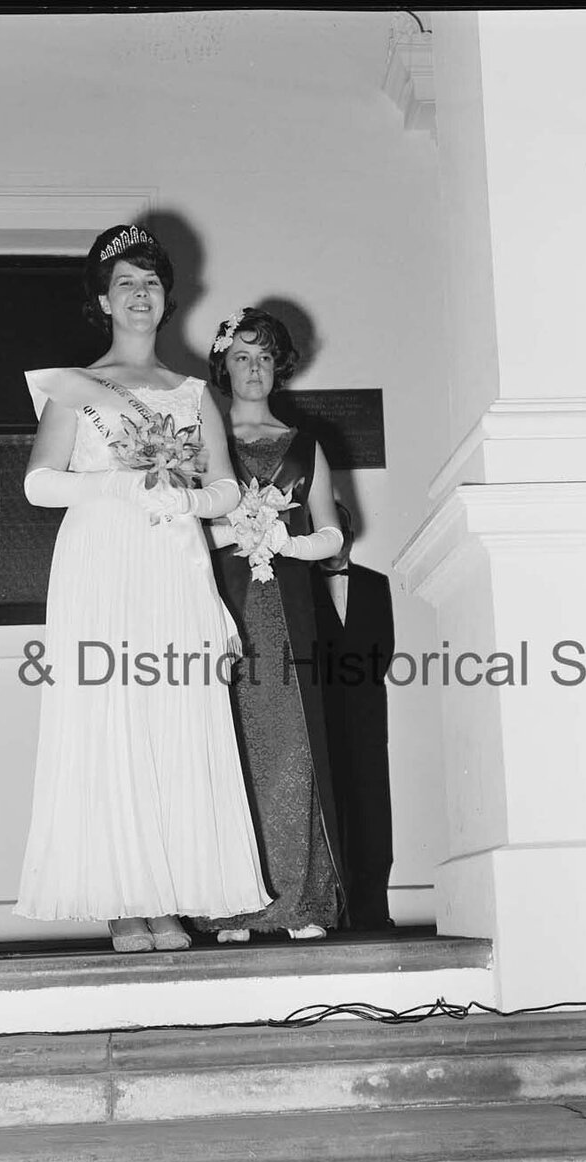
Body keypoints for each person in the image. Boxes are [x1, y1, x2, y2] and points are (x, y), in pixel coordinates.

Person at [14, 225, 271, 951]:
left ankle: (169, 896)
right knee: (111, 715)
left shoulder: (192, 392)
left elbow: (225, 485)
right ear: (103, 298)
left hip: (171, 559)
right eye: (125, 282)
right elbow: (38, 484)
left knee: (172, 712)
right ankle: (125, 899)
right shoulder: (75, 387)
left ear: (167, 301)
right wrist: (127, 484)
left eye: (151, 284)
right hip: (101, 557)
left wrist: (186, 502)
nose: (139, 295)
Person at [191, 308, 347, 943]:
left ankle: (300, 902)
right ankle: (233, 906)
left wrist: (286, 540)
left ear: (278, 365)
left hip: (288, 613)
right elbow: (182, 520)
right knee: (227, 747)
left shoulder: (306, 444)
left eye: (264, 358)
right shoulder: (203, 438)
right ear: (223, 366)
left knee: (292, 746)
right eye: (241, 357)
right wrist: (233, 529)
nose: (253, 370)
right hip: (218, 605)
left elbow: (334, 535)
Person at [311, 501, 396, 931]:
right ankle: (327, 909)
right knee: (325, 809)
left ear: (349, 532)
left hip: (365, 714)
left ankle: (371, 910)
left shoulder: (375, 584)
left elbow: (383, 649)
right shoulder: (300, 586)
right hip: (317, 715)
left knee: (370, 808)